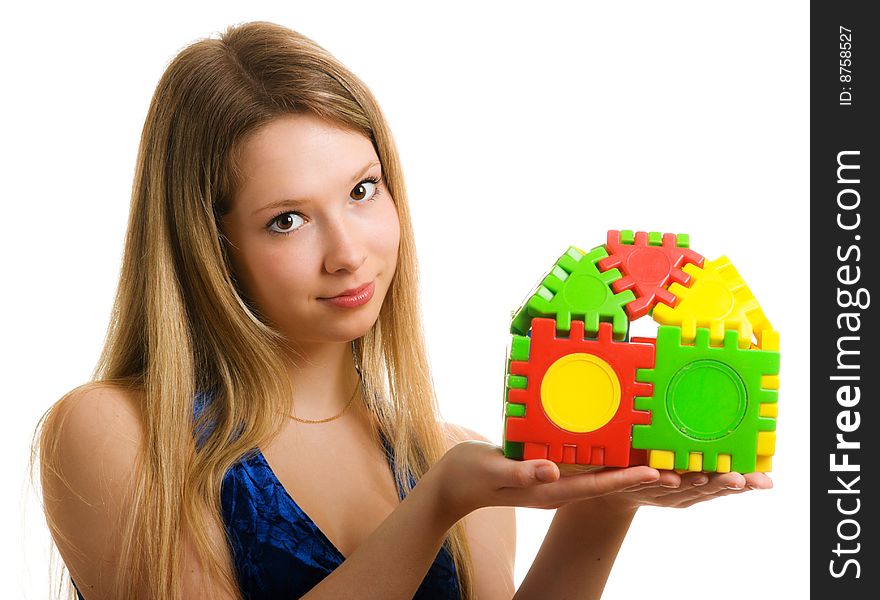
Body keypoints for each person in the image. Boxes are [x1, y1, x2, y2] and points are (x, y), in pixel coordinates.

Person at [32, 20, 772, 600]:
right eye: (287, 219)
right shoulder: (122, 431)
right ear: (209, 245)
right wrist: (434, 507)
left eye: (362, 191)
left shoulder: (451, 453)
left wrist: (607, 503)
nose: (349, 253)